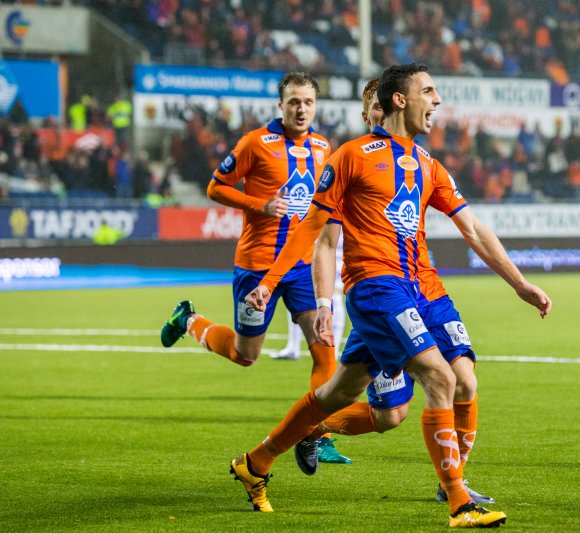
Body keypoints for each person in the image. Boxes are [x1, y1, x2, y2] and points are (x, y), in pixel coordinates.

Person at [228, 64, 551, 527]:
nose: (437, 101)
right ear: (400, 99)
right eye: (429, 91)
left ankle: (256, 462)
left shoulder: (430, 165)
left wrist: (520, 283)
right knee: (438, 377)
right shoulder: (351, 156)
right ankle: (458, 498)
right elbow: (315, 230)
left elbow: (474, 229)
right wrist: (272, 282)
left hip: (424, 286)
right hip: (377, 286)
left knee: (427, 384)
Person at [291, 76, 494, 505]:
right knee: (397, 407)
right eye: (369, 109)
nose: (375, 114)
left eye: (377, 106)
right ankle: (452, 491)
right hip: (374, 294)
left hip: (409, 292)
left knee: (410, 405)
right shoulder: (352, 162)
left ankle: (448, 482)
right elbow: (324, 239)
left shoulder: (417, 162)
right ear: (368, 113)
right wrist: (323, 301)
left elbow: (450, 224)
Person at [158, 71, 349, 463]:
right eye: (294, 102)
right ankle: (188, 320)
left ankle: (313, 435)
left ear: (316, 106)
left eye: (308, 102)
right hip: (257, 266)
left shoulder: (321, 146)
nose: (301, 109)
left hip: (300, 266)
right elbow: (215, 187)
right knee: (246, 355)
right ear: (281, 105)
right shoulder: (255, 143)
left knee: (324, 347)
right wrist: (258, 205)